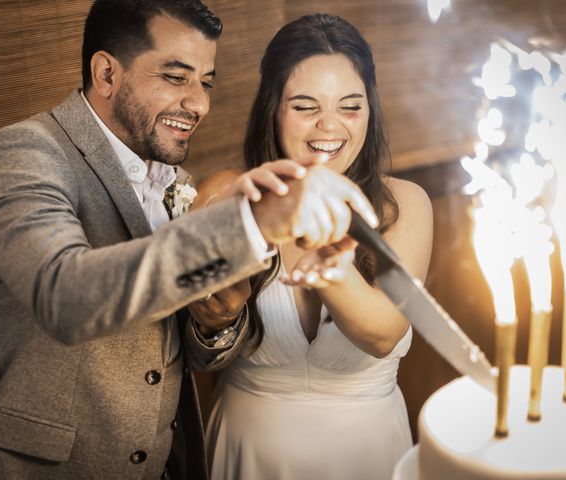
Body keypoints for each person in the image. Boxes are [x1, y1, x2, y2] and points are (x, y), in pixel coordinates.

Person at [0, 2, 377, 479]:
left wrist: (217, 320)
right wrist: (251, 225)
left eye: (206, 82)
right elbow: (64, 298)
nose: (198, 103)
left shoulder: (180, 182)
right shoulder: (24, 152)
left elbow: (185, 353)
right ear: (107, 73)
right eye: (176, 78)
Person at [201, 13, 434, 480]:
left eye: (350, 106)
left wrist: (322, 235)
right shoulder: (225, 192)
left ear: (371, 109)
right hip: (248, 453)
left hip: (371, 453)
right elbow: (200, 327)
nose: (330, 127)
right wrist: (217, 309)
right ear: (272, 108)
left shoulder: (404, 204)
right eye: (305, 106)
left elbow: (382, 334)